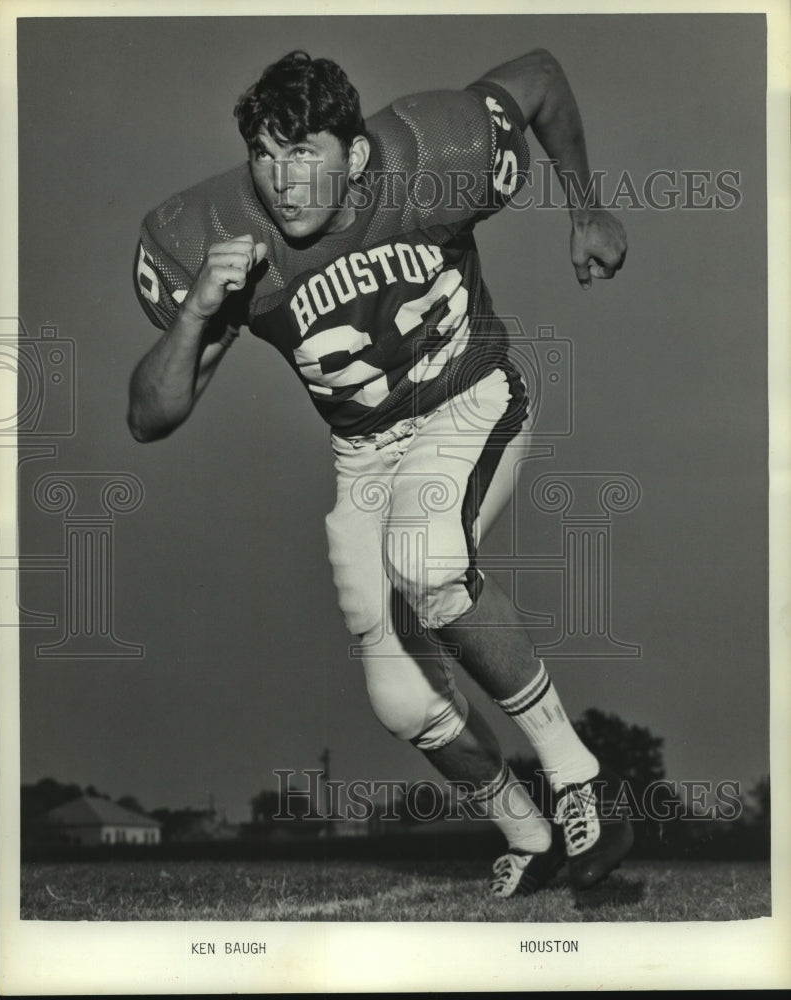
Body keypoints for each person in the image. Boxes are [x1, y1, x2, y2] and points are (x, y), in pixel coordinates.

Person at [128, 49, 631, 898]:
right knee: (401, 700)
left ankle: (580, 776)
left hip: (469, 398)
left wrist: (586, 209)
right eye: (265, 153)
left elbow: (541, 77)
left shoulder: (433, 152)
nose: (282, 181)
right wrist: (196, 315)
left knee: (428, 560)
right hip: (366, 452)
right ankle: (528, 832)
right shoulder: (219, 240)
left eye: (305, 153)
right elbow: (149, 417)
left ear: (356, 155)